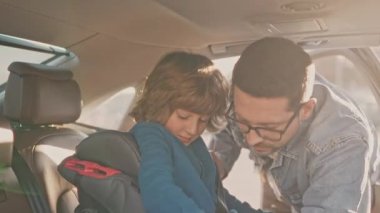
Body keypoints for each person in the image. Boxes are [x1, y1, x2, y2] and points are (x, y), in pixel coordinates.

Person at [209, 37, 380, 212]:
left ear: (306, 110)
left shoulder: (341, 143)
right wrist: (216, 165)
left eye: (268, 128)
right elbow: (226, 130)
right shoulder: (242, 97)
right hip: (277, 174)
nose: (252, 140)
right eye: (243, 122)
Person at [129, 52, 261, 213]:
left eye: (203, 120)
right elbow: (159, 190)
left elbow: (215, 196)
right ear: (159, 103)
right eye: (183, 116)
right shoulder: (152, 134)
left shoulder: (192, 144)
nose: (193, 130)